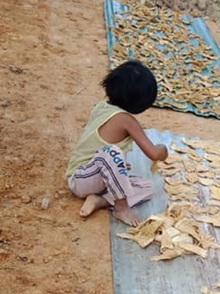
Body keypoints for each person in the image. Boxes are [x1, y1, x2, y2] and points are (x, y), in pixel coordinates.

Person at [66, 60, 168, 226]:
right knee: (112, 153)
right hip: (81, 178)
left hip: (99, 180)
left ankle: (100, 201)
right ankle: (121, 207)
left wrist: (117, 167)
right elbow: (155, 154)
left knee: (146, 187)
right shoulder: (126, 120)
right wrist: (163, 149)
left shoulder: (102, 106)